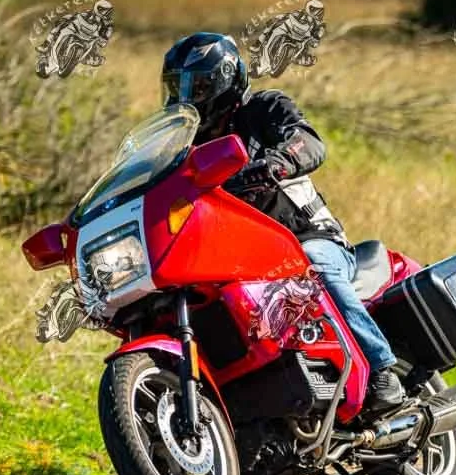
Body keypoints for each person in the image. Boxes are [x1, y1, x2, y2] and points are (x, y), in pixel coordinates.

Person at [160, 31, 406, 411]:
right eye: (178, 87)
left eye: (198, 86)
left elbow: (308, 141)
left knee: (314, 269)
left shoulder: (263, 109)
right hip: (247, 259)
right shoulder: (184, 148)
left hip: (308, 238)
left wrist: (277, 162)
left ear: (225, 81)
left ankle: (381, 369)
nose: (187, 97)